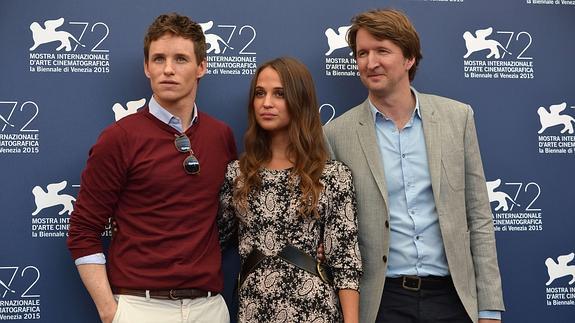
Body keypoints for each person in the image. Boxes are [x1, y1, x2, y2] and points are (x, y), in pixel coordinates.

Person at [323, 8, 505, 323]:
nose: (370, 62)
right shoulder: (336, 134)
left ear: (409, 59)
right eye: (362, 53)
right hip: (380, 301)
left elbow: (478, 217)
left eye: (382, 51)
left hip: (453, 298)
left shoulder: (457, 118)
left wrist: (488, 308)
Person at [67, 13, 236, 323]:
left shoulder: (220, 135)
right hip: (139, 308)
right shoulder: (119, 138)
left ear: (201, 67)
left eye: (180, 59)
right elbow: (82, 230)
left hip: (209, 308)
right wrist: (110, 312)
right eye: (158, 59)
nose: (168, 69)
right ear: (147, 67)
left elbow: (234, 217)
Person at [218, 57, 362, 323]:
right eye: (260, 93)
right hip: (254, 311)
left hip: (314, 311)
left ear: (300, 100)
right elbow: (212, 239)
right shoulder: (237, 174)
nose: (267, 103)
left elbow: (346, 262)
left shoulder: (332, 176)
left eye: (280, 94)